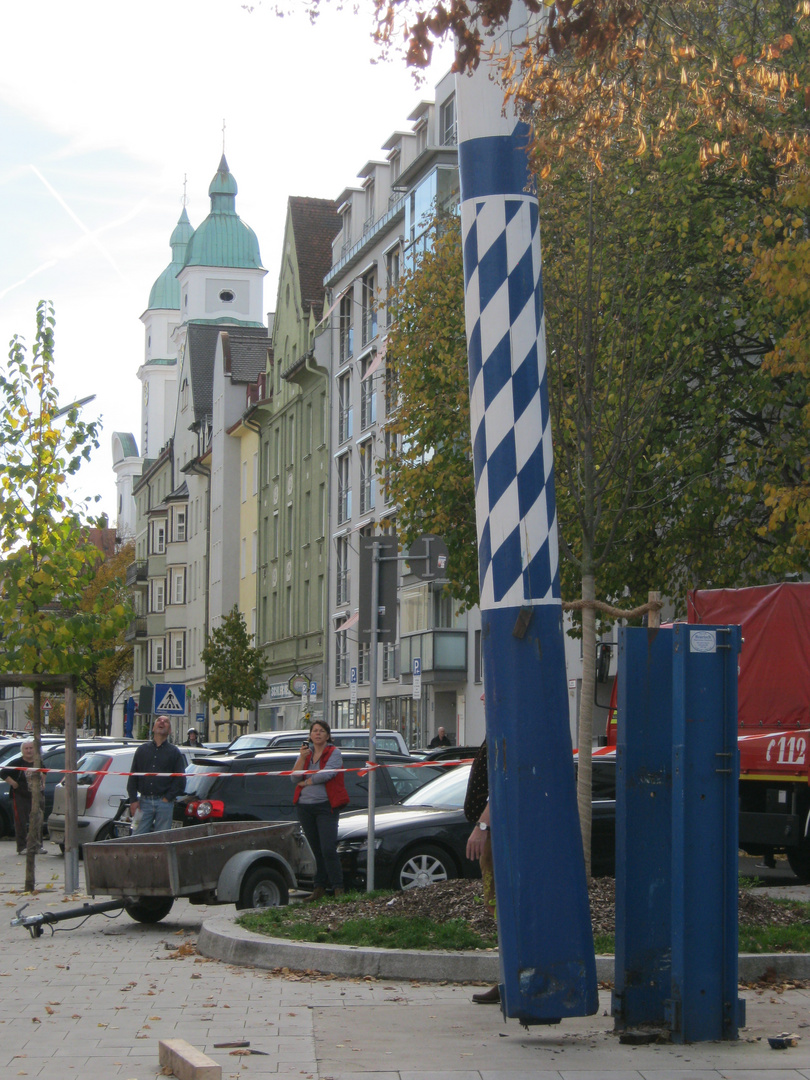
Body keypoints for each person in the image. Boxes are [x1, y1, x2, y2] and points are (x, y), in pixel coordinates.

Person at [292, 720, 349, 902]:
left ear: (327, 735)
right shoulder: (306, 754)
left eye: (321, 731)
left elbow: (328, 773)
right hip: (305, 806)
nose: (317, 734)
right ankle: (319, 888)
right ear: (310, 735)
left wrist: (307, 781)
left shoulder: (334, 753)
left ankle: (338, 887)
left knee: (327, 848)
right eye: (314, 731)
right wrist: (301, 758)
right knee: (316, 849)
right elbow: (293, 778)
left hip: (326, 806)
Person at [465, 740, 499, 1004]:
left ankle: (508, 978)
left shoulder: (505, 732)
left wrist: (483, 826)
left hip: (497, 834)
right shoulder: (496, 732)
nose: (482, 696)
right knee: (494, 906)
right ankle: (506, 978)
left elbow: (501, 785)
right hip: (493, 834)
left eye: (488, 694)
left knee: (499, 905)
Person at [127, 716, 186, 834]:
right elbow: (133, 777)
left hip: (164, 804)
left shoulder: (174, 752)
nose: (162, 722)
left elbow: (180, 780)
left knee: (162, 839)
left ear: (169, 731)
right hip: (143, 802)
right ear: (153, 728)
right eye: (159, 720)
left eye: (166, 722)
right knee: (135, 837)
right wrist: (133, 800)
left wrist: (168, 798)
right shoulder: (142, 750)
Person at [0, 740, 45, 855]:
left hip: (36, 795)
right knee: (21, 821)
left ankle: (37, 846)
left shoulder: (38, 762)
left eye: (31, 748)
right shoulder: (17, 762)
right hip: (20, 796)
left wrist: (43, 783)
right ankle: (22, 847)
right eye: (26, 748)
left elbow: (44, 772)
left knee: (38, 820)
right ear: (22, 751)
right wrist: (13, 783)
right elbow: (3, 773)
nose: (29, 750)